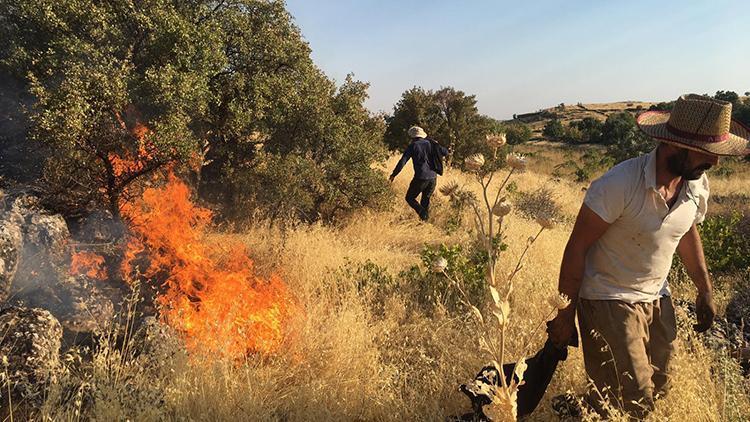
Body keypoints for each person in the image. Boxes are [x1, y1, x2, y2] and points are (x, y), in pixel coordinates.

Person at [546, 94, 750, 418]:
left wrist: (705, 289)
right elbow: (577, 247)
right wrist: (564, 313)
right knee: (635, 397)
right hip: (608, 296)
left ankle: (580, 409)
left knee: (661, 385)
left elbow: (686, 231)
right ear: (673, 145)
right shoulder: (618, 185)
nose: (715, 162)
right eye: (708, 153)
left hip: (658, 297)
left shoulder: (696, 184)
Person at [389, 126, 449, 221]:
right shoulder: (431, 143)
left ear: (413, 137)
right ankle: (424, 222)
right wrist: (436, 144)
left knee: (409, 198)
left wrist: (393, 174)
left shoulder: (413, 146)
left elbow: (402, 162)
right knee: (425, 200)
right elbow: (445, 152)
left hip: (421, 177)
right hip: (433, 178)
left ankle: (423, 214)